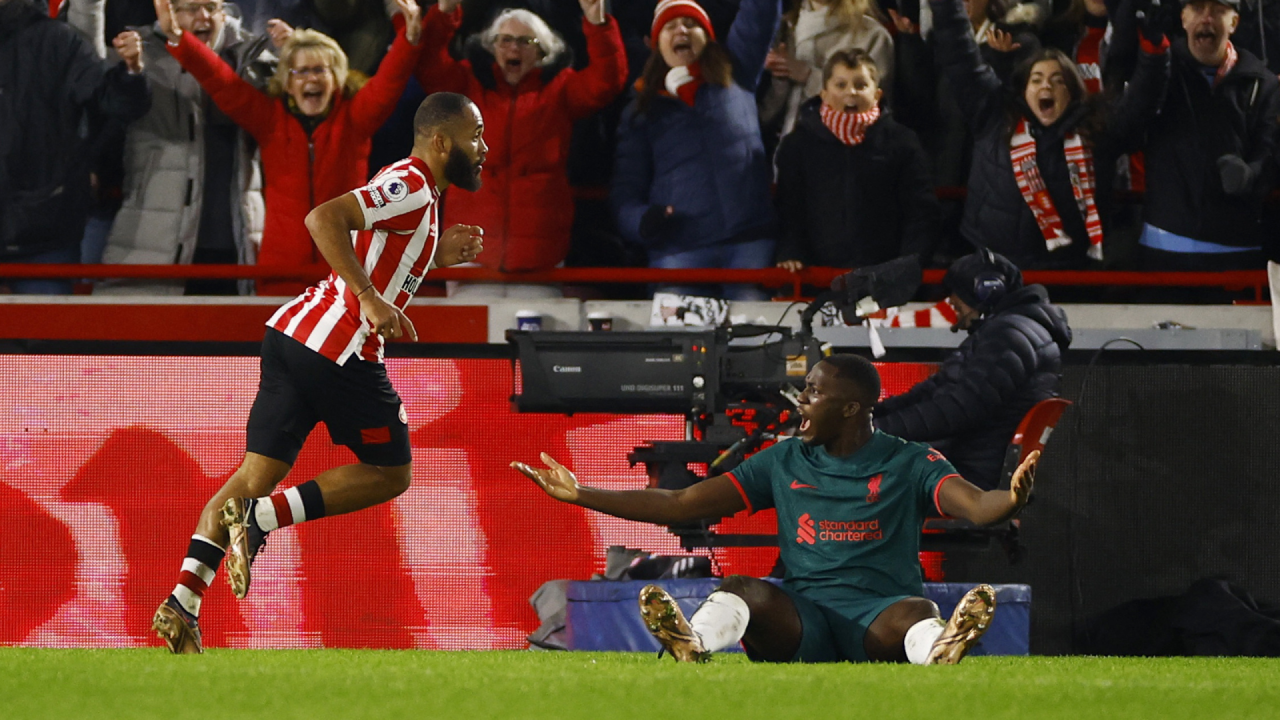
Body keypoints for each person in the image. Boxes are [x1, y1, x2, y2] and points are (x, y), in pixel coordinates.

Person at [150, 92, 487, 654]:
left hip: (293, 337)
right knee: (390, 472)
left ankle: (182, 601)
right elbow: (322, 218)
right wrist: (369, 296)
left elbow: (376, 247)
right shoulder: (410, 184)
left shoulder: (415, 193)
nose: (483, 148)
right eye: (475, 136)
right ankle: (260, 519)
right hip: (339, 348)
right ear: (441, 141)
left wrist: (432, 255)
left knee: (251, 476)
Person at [513, 354, 1040, 664]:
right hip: (802, 621)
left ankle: (939, 649)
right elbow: (681, 503)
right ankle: (694, 642)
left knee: (917, 612)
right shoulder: (783, 460)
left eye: (813, 393)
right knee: (742, 588)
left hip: (879, 618)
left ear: (851, 408)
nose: (800, 401)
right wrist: (581, 494)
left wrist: (1013, 498)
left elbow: (977, 505)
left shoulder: (911, 461)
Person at [152, 0, 426, 296]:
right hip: (280, 276)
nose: (311, 78)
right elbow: (221, 80)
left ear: (337, 79)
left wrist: (409, 41)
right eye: (301, 71)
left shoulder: (355, 120)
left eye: (320, 69)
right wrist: (179, 39)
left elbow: (390, 81)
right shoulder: (270, 120)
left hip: (348, 276)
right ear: (287, 82)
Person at [924, 0, 1170, 270]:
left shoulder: (1097, 132)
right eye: (1037, 79)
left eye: (1058, 80)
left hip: (1071, 271)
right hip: (995, 265)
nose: (1046, 86)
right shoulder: (995, 118)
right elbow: (960, 57)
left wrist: (1155, 51)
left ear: (1072, 93)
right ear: (1023, 89)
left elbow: (1141, 103)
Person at [415, 0, 627, 298]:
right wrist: (444, 13)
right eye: (505, 40)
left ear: (543, 52)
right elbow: (428, 63)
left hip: (540, 257)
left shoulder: (561, 88)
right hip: (470, 253)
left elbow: (608, 80)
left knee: (538, 329)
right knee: (471, 330)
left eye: (526, 41)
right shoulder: (466, 84)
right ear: (491, 47)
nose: (514, 48)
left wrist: (598, 25)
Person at [95, 0, 283, 296]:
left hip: (239, 244)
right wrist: (132, 71)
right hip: (155, 240)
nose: (204, 16)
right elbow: (115, 106)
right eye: (191, 7)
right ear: (166, 9)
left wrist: (288, 58)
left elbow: (280, 123)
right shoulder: (140, 48)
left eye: (211, 6)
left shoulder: (254, 54)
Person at [611, 0, 783, 301]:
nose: (682, 30)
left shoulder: (736, 73)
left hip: (748, 241)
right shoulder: (641, 109)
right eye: (670, 26)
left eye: (691, 24)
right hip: (679, 248)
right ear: (656, 44)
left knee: (755, 331)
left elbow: (759, 15)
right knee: (680, 334)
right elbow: (626, 189)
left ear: (708, 37)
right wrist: (642, 221)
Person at [874, 249, 1070, 490]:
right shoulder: (1008, 331)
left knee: (858, 481)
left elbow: (961, 408)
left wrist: (876, 431)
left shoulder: (1010, 335)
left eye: (958, 294)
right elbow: (934, 389)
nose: (952, 303)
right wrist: (873, 415)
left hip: (970, 474)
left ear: (987, 291)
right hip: (967, 463)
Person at [0, 0, 150, 295]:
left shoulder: (58, 40)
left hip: (44, 234)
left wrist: (131, 72)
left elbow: (113, 104)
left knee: (48, 325)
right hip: (49, 226)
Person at [1138, 0, 1280, 274]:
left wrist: (1250, 176)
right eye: (1197, 8)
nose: (1207, 18)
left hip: (1237, 254)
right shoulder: (1160, 70)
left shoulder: (1264, 84)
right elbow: (1124, 127)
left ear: (1234, 22)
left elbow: (1270, 154)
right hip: (1162, 253)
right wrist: (1150, 57)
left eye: (1217, 10)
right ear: (1183, 18)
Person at [774, 50, 938, 273]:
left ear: (877, 94)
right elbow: (789, 208)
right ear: (824, 94)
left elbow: (920, 210)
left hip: (885, 278)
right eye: (840, 85)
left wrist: (907, 265)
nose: (851, 92)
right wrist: (791, 252)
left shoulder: (903, 141)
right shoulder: (797, 145)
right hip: (817, 278)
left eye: (861, 85)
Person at [759, 0, 894, 144]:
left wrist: (809, 76)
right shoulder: (785, 27)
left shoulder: (871, 34)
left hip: (843, 150)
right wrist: (779, 77)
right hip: (786, 146)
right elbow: (765, 114)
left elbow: (873, 108)